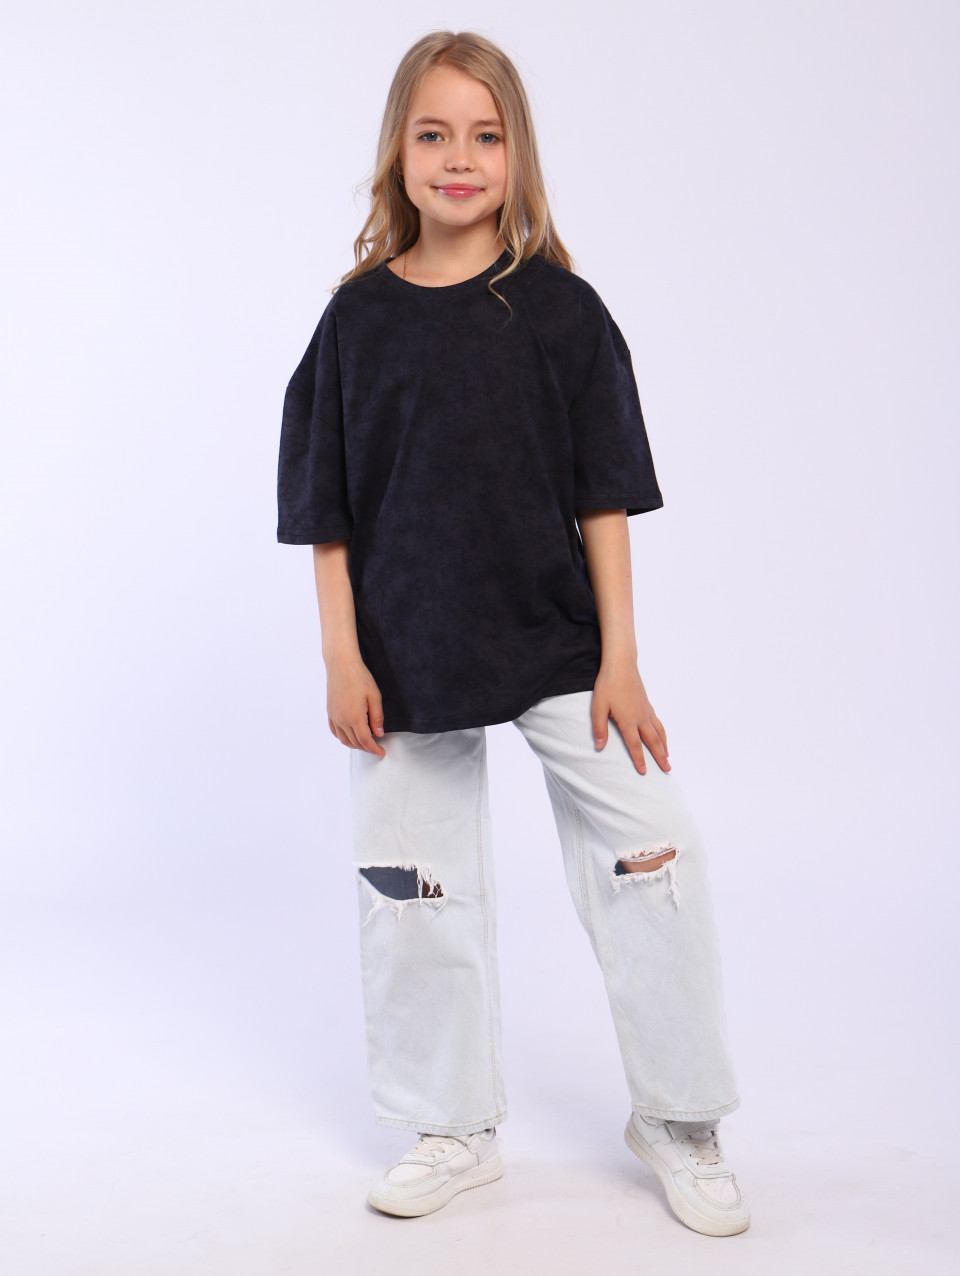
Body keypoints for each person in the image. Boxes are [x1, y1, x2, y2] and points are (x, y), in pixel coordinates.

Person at [276, 29, 750, 1237]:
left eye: (485, 136)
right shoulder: (356, 323)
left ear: (517, 153)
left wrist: (621, 657)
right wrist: (341, 653)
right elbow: (326, 507)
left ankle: (679, 1117)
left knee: (655, 857)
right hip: (406, 652)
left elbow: (605, 493)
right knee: (414, 890)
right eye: (433, 133)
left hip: (557, 642)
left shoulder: (562, 312)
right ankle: (452, 1125)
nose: (459, 158)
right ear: (397, 150)